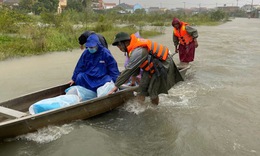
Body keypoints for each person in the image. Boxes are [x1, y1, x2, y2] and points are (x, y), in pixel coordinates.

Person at [108, 32, 183, 105]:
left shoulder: (138, 51)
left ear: (125, 42)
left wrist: (116, 86)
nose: (119, 48)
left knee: (152, 91)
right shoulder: (131, 49)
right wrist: (133, 81)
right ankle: (140, 109)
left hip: (162, 65)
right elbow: (135, 66)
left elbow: (129, 70)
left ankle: (154, 110)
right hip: (151, 66)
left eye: (120, 46)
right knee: (142, 88)